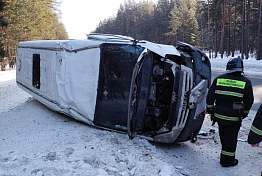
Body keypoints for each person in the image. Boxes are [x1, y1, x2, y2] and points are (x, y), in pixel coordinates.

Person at [206, 56, 254, 167]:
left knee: (223, 135)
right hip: (234, 117)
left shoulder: (219, 79)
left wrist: (211, 110)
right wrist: (244, 113)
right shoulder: (246, 82)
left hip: (219, 115)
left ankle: (225, 156)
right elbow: (249, 100)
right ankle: (227, 161)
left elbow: (210, 97)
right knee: (231, 139)